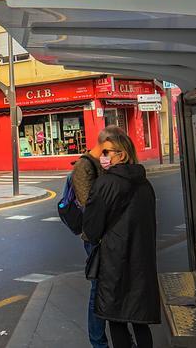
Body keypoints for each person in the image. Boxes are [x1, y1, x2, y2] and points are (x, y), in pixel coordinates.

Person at [83, 126, 160, 348]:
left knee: (116, 319)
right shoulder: (145, 183)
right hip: (141, 262)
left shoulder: (106, 184)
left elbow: (92, 229)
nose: (102, 157)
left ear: (121, 155)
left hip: (114, 262)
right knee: (139, 320)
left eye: (106, 152)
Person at [70, 130, 110, 348]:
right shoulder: (83, 166)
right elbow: (89, 203)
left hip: (104, 234)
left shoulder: (100, 164)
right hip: (94, 237)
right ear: (105, 144)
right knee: (98, 289)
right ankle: (97, 341)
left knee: (106, 288)